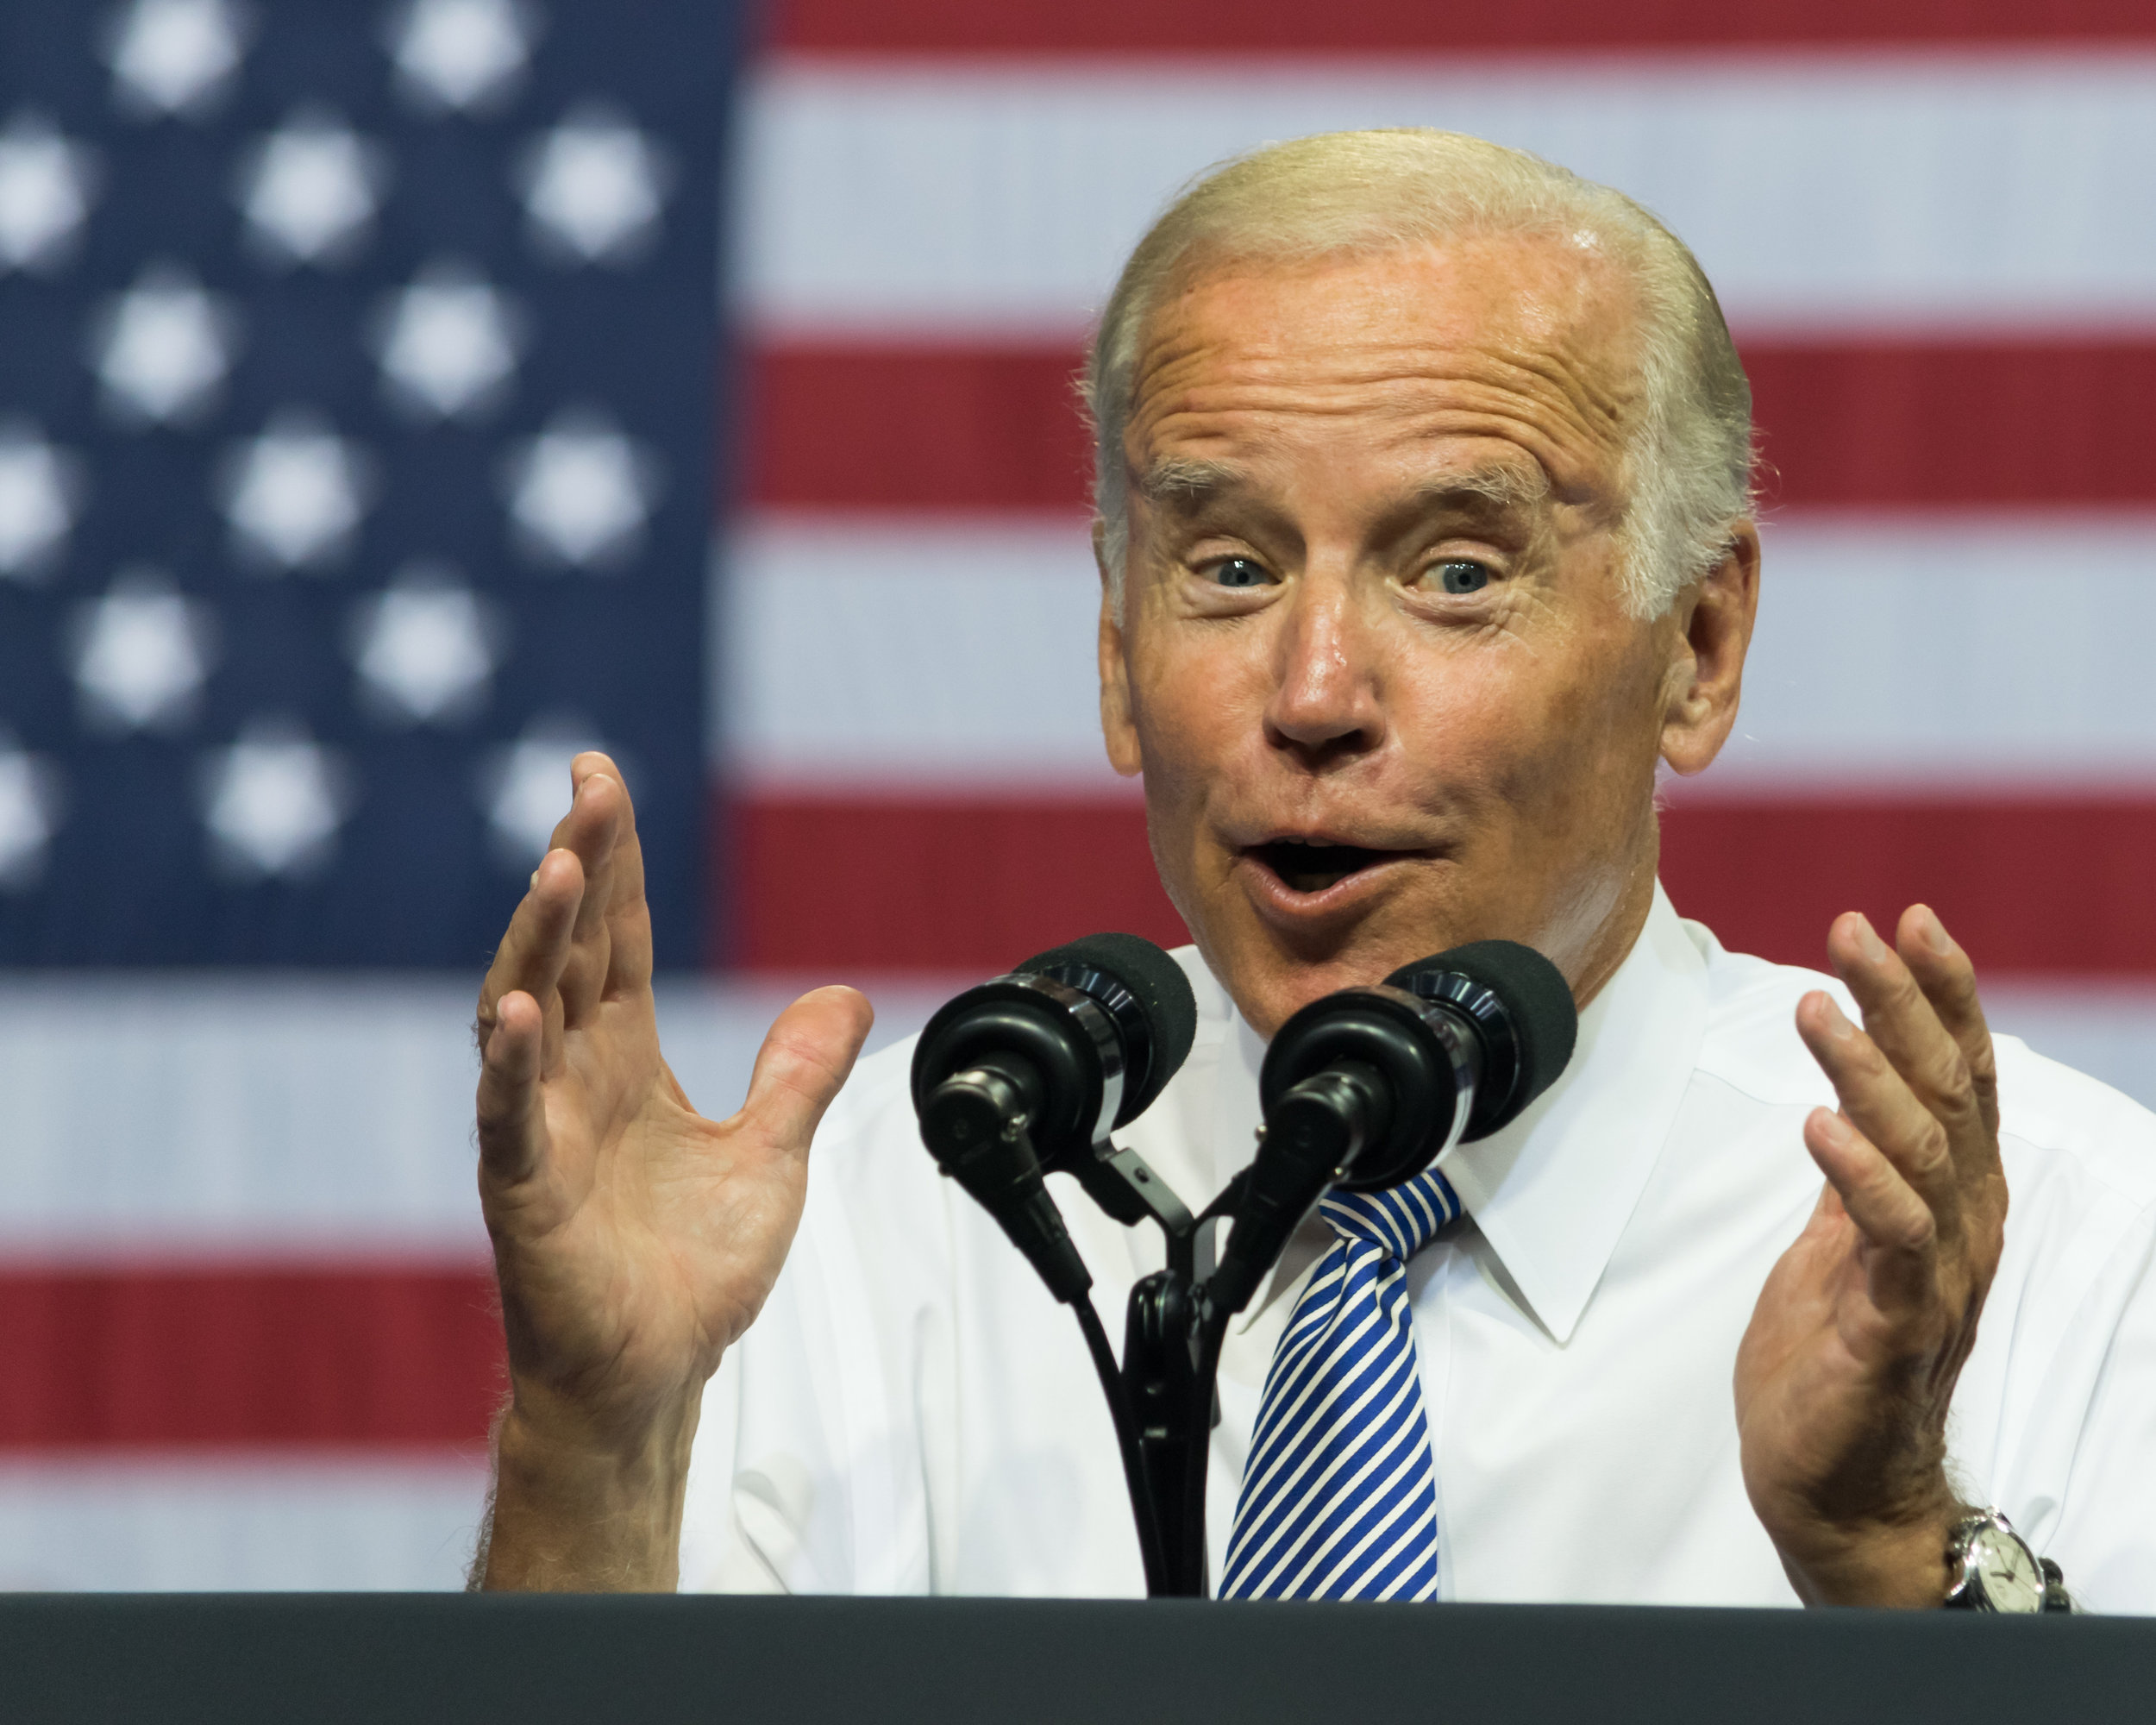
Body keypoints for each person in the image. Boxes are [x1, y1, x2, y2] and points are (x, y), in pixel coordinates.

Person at [467, 130, 2156, 1608]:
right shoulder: (889, 1215)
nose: (1314, 693)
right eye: (1226, 567)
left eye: (1454, 572)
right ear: (1116, 654)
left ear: (1698, 646)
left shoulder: (2064, 1242)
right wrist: (591, 1438)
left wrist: (1885, 1550)